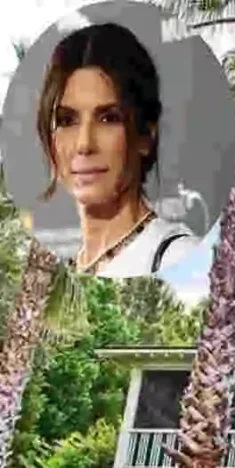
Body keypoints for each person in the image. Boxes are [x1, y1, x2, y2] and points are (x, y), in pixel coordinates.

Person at [36, 22, 198, 277]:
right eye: (67, 120)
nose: (84, 144)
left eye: (108, 118)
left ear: (145, 136)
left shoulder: (175, 254)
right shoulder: (69, 270)